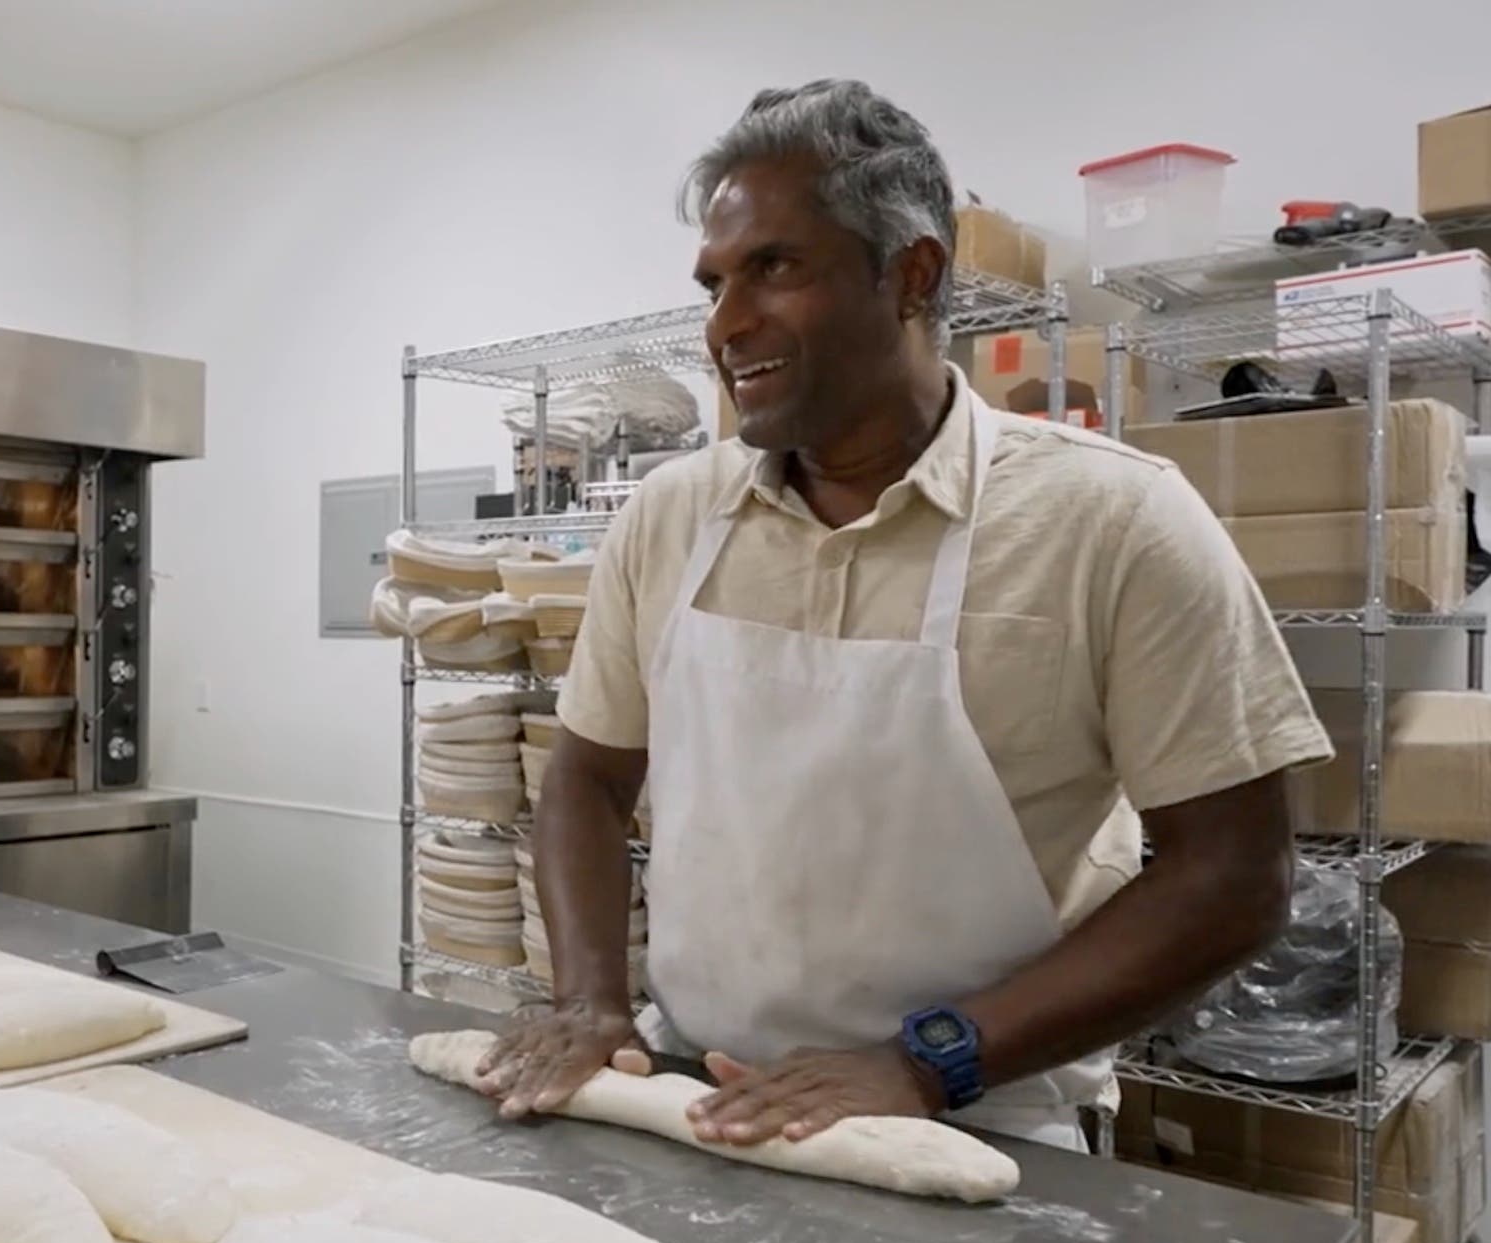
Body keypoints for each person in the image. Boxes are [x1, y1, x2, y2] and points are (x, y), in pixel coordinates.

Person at [476, 80, 1331, 1151]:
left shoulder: (1111, 520)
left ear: (913, 273)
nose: (726, 325)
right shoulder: (672, 516)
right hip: (692, 1086)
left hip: (985, 1111)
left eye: (774, 269)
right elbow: (589, 779)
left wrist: (930, 1061)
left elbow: (1234, 874)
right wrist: (591, 999)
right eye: (714, 283)